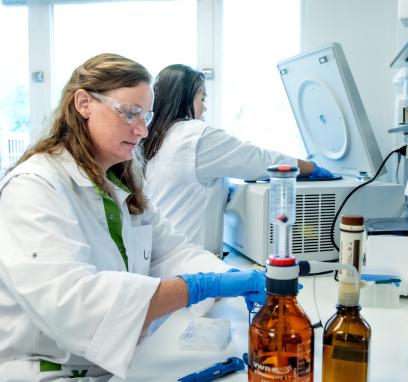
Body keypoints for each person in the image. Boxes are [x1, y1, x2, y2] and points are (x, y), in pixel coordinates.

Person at [0, 53, 267, 382]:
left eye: (147, 116)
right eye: (130, 114)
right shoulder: (34, 187)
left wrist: (232, 279)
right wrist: (197, 287)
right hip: (49, 370)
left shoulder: (119, 181)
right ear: (84, 102)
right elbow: (72, 302)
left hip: (114, 364)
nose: (142, 130)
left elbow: (170, 251)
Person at [143, 64, 334, 257]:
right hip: (188, 261)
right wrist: (310, 167)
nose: (205, 107)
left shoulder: (155, 136)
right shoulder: (197, 136)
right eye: (202, 98)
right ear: (183, 99)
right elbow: (260, 160)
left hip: (158, 255)